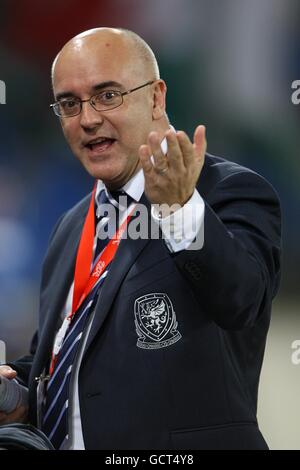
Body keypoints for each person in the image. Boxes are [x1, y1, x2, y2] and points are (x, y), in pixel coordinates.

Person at [0, 27, 281, 450]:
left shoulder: (227, 191)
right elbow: (69, 363)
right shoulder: (70, 226)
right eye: (69, 104)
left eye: (107, 95)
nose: (88, 118)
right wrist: (17, 392)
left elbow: (241, 299)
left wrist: (179, 210)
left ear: (156, 97)